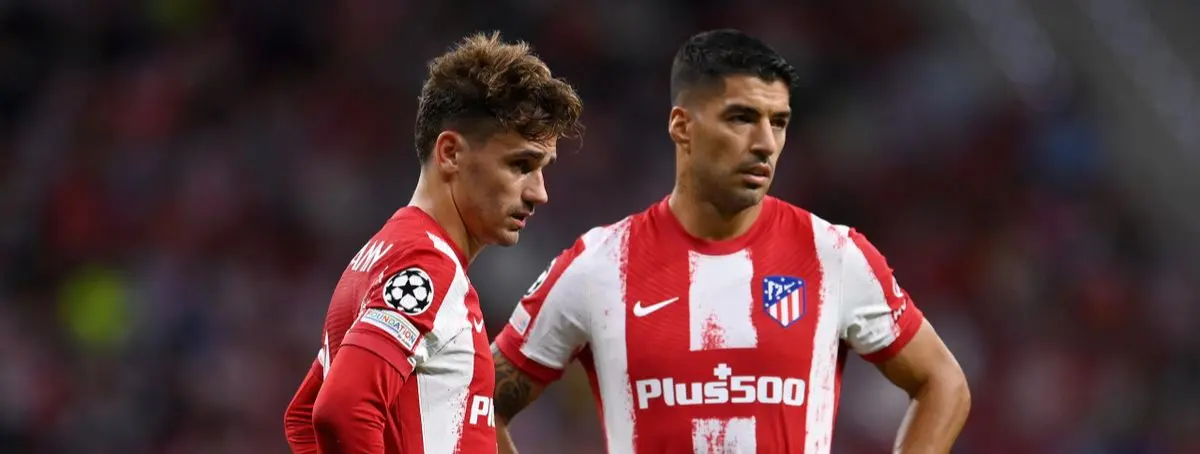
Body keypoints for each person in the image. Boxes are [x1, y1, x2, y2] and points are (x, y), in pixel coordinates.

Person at [491, 29, 969, 453]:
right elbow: (478, 404)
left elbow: (943, 383)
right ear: (682, 126)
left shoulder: (833, 256)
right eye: (741, 118)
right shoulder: (598, 265)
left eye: (778, 122)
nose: (765, 143)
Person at [283, 32, 583, 454]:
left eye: (542, 169)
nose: (539, 193)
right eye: (521, 165)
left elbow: (303, 416)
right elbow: (341, 409)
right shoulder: (425, 266)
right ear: (451, 153)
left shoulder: (383, 255)